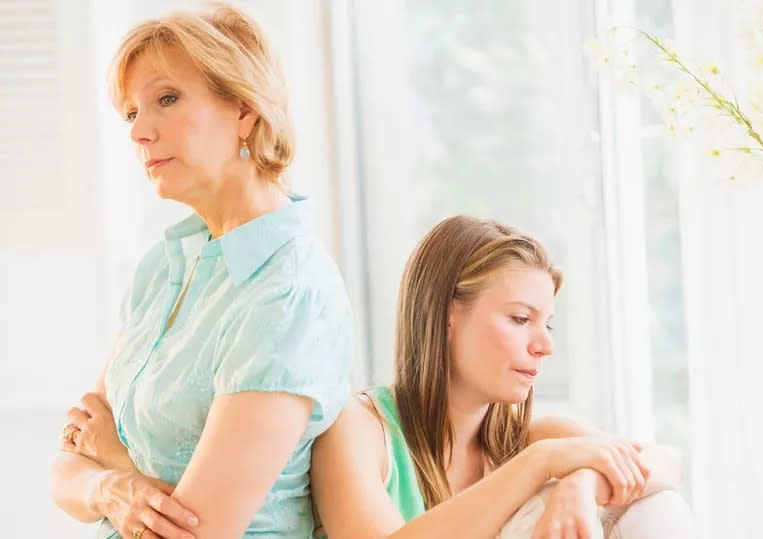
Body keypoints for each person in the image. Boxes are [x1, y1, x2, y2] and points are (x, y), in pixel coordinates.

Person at [50, 4, 354, 538]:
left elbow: (197, 532)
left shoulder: (287, 293)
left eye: (166, 99)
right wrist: (109, 488)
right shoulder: (162, 268)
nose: (139, 132)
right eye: (130, 113)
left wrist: (118, 466)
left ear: (244, 109)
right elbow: (65, 470)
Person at [311, 216, 685, 539]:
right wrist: (538, 464)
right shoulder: (359, 428)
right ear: (446, 316)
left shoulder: (534, 438)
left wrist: (583, 483)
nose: (544, 345)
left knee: (653, 500)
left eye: (548, 324)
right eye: (520, 319)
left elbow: (666, 462)